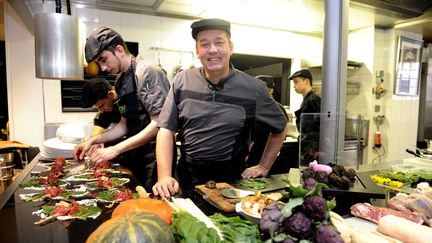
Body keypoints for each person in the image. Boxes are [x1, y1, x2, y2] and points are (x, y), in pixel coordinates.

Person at [152, 18, 288, 197]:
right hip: (187, 178)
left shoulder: (254, 88)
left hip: (232, 182)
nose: (213, 50)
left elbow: (281, 126)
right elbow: (166, 130)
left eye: (219, 42)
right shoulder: (181, 80)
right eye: (205, 44)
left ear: (230, 47)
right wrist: (164, 177)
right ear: (197, 51)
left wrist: (263, 166)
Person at [73, 27, 171, 191]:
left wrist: (115, 149)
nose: (103, 68)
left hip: (154, 156)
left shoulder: (146, 72)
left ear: (119, 49)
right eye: (99, 62)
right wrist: (94, 140)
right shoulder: (120, 81)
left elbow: (160, 124)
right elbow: (123, 125)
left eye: (103, 59)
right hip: (135, 152)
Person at [246, 75, 288, 168]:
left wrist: (246, 155)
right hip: (274, 154)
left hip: (258, 156)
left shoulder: (259, 108)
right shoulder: (280, 108)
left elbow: (253, 136)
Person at [289, 69, 321, 165]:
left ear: (306, 81)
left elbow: (320, 126)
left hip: (312, 149)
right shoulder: (307, 99)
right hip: (307, 147)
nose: (294, 85)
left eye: (296, 82)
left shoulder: (313, 99)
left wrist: (316, 150)